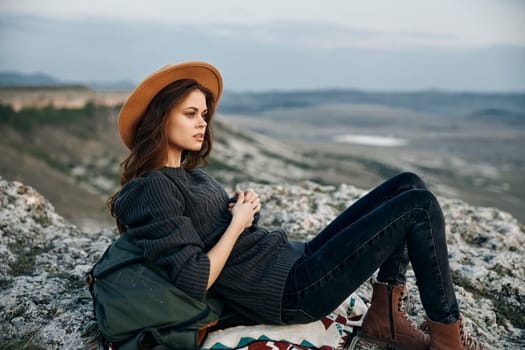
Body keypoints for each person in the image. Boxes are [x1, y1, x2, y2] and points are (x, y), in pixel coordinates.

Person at [108, 61, 487, 350]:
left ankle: (385, 313)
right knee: (417, 206)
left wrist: (243, 210)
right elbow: (195, 279)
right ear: (160, 119)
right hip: (290, 292)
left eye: (204, 114)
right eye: (190, 114)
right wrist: (238, 223)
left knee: (407, 184)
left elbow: (220, 235)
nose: (202, 123)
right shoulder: (151, 187)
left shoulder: (190, 175)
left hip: (291, 259)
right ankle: (446, 338)